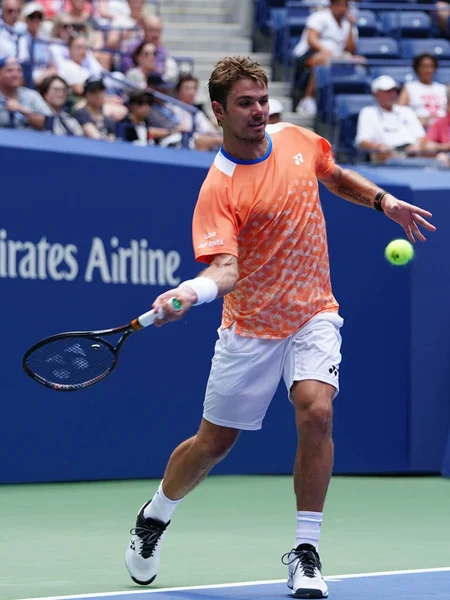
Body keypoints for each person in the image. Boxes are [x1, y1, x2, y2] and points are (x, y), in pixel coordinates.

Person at [124, 56, 435, 599]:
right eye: (245, 103)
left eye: (263, 100)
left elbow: (332, 174)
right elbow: (225, 269)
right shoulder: (218, 188)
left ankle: (306, 550)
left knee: (317, 410)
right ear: (218, 111)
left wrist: (382, 201)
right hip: (250, 328)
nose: (258, 111)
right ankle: (156, 514)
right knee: (212, 445)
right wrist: (190, 292)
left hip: (315, 311)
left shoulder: (294, 138)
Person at [292, 0, 362, 115]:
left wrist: (350, 25)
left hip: (337, 58)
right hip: (309, 55)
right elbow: (311, 39)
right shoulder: (319, 17)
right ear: (331, 6)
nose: (342, 8)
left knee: (361, 60)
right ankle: (308, 99)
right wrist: (325, 50)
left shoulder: (348, 23)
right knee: (322, 59)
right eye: (339, 5)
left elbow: (350, 49)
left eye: (345, 6)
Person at [356, 75, 426, 163]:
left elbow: (421, 136)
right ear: (376, 94)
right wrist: (377, 146)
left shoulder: (407, 111)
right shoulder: (368, 112)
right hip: (385, 154)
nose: (392, 95)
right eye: (387, 92)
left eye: (394, 91)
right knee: (383, 153)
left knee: (430, 148)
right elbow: (362, 141)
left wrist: (417, 146)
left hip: (411, 152)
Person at [397, 53, 447, 130]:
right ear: (417, 69)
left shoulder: (442, 88)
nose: (428, 70)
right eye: (424, 67)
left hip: (443, 128)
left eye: (431, 67)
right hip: (419, 128)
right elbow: (399, 111)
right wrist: (416, 120)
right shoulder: (410, 87)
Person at [0, 56, 51, 130]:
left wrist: (21, 109)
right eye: (9, 70)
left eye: (19, 71)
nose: (15, 74)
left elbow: (48, 123)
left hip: (29, 139)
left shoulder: (31, 96)